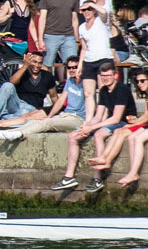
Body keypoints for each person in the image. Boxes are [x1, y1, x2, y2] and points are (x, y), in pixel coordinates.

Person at [56, 59, 137, 192]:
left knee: (99, 134)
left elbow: (116, 118)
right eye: (103, 76)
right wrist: (86, 126)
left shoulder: (122, 89)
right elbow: (98, 115)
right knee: (72, 136)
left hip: (123, 122)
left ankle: (98, 178)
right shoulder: (104, 91)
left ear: (115, 75)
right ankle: (68, 177)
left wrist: (93, 128)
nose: (105, 79)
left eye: (108, 75)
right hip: (111, 121)